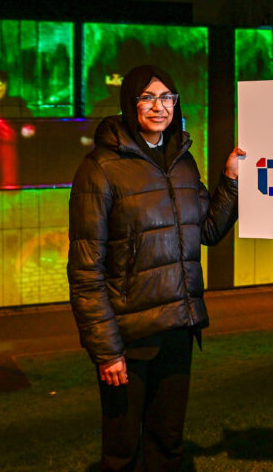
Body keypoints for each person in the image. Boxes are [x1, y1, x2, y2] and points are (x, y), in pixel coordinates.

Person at [67, 64, 245, 471]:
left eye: (167, 97)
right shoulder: (100, 168)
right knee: (121, 452)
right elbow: (85, 270)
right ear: (130, 105)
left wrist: (230, 180)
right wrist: (106, 350)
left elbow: (210, 229)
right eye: (147, 97)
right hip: (129, 338)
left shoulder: (183, 161)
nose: (159, 106)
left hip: (178, 329)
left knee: (167, 443)